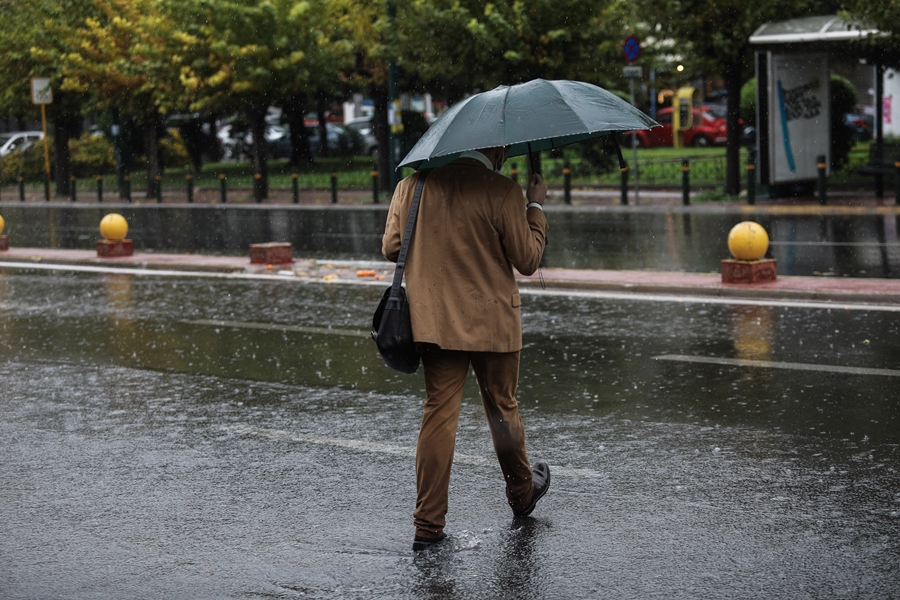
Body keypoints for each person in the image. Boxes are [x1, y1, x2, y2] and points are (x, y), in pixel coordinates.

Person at [382, 146, 550, 552]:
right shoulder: (504, 191)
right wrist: (535, 206)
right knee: (501, 407)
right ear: (493, 148)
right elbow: (528, 259)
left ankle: (428, 524)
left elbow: (391, 248)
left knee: (439, 413)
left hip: (436, 320)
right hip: (493, 322)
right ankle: (522, 492)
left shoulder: (412, 186)